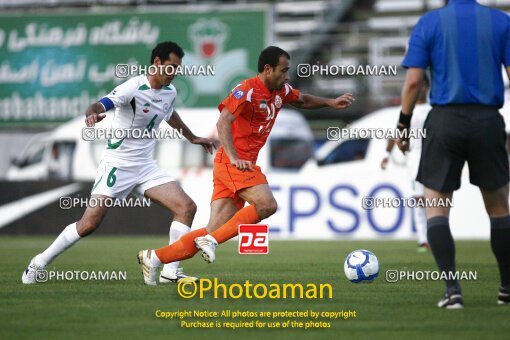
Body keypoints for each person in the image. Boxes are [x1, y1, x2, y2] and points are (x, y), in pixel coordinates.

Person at [137, 46, 355, 285]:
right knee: (266, 205)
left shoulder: (281, 91)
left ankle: (156, 258)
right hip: (234, 163)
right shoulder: (247, 90)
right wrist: (232, 157)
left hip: (235, 164)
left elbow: (302, 99)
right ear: (268, 69)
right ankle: (212, 243)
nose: (287, 76)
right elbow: (223, 123)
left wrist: (331, 103)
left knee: (213, 229)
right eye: (283, 71)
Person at [22, 41, 216, 285]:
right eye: (171, 67)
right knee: (89, 224)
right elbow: (101, 104)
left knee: (186, 207)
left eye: (178, 68)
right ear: (157, 63)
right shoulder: (133, 87)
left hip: (145, 167)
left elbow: (169, 114)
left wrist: (193, 137)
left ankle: (170, 271)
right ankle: (39, 262)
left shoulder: (170, 92)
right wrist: (92, 113)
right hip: (117, 164)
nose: (175, 73)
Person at [397, 0, 510, 308]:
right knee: (500, 208)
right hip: (488, 120)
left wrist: (403, 124)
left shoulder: (429, 23)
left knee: (436, 206)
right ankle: (506, 288)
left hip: (445, 120)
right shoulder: (501, 22)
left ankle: (452, 291)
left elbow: (414, 81)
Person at [381, 75, 430, 253]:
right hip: (415, 158)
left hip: (435, 157)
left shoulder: (434, 110)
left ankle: (437, 233)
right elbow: (397, 133)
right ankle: (423, 239)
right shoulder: (407, 110)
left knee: (437, 198)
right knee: (418, 199)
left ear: (427, 86)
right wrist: (387, 154)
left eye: (422, 85)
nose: (419, 89)